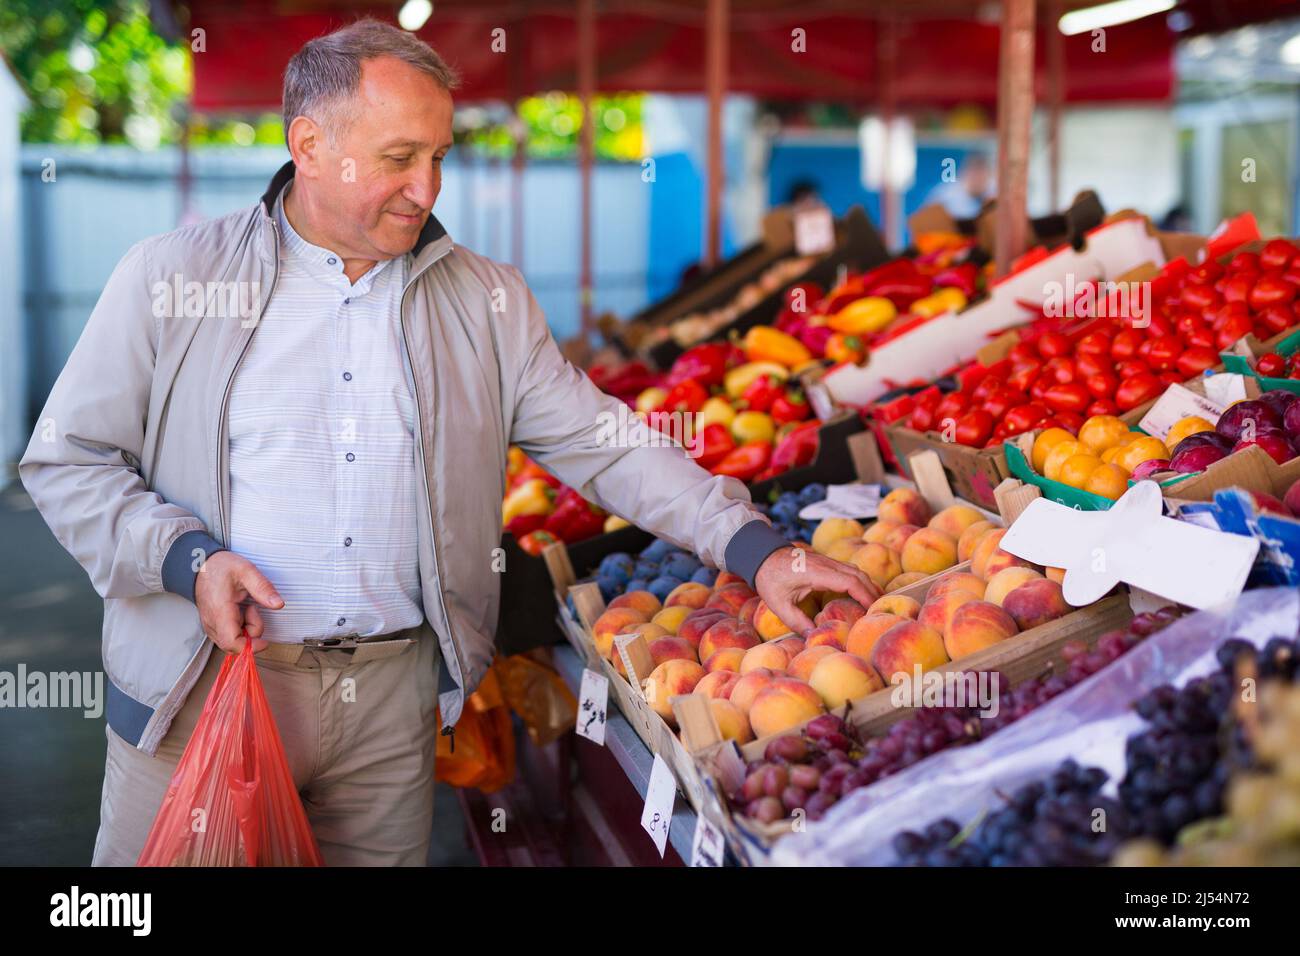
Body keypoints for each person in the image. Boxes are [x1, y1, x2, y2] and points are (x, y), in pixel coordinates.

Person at [20, 19, 879, 866]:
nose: (427, 188)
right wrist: (187, 561)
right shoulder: (173, 278)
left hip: (389, 709)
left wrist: (752, 544)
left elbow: (604, 443)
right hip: (205, 688)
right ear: (309, 144)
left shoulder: (485, 302)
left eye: (439, 156)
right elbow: (68, 459)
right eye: (399, 158)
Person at [923, 152, 994, 220]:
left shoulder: (995, 192)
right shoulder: (945, 194)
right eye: (973, 172)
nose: (977, 177)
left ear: (989, 174)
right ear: (964, 172)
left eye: (981, 172)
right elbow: (926, 219)